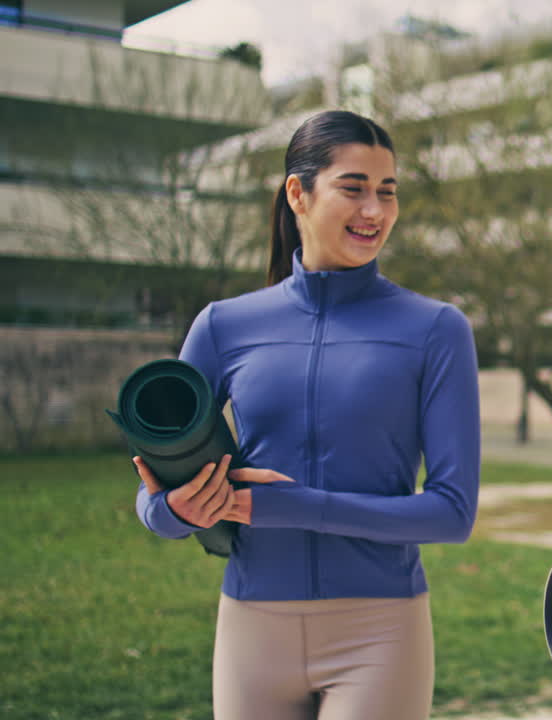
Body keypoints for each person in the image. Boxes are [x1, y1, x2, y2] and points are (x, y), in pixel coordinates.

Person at [133, 110, 480, 720]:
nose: (374, 210)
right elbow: (155, 498)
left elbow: (452, 512)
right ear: (298, 193)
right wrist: (173, 512)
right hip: (251, 628)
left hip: (381, 631)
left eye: (387, 192)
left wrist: (291, 507)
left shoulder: (434, 330)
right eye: (354, 188)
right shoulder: (223, 326)